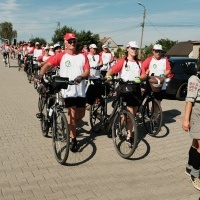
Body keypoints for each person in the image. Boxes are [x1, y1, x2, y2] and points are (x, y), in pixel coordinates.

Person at [35, 33, 90, 152]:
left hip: (80, 90)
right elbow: (48, 64)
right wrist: (40, 74)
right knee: (72, 114)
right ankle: (73, 139)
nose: (72, 43)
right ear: (65, 43)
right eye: (69, 41)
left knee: (81, 115)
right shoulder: (61, 56)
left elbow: (87, 71)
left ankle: (69, 126)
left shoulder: (82, 56)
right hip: (67, 90)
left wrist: (81, 77)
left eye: (74, 41)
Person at [105, 41, 144, 145]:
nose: (134, 50)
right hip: (125, 89)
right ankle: (129, 135)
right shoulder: (123, 61)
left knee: (133, 114)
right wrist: (108, 76)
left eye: (136, 48)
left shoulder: (139, 62)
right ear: (127, 49)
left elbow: (144, 75)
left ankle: (123, 125)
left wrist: (140, 78)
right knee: (130, 112)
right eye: (132, 48)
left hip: (136, 89)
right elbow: (111, 71)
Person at [182, 74, 200, 191]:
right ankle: (195, 174)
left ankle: (189, 167)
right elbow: (189, 100)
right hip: (197, 113)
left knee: (196, 143)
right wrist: (186, 119)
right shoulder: (195, 79)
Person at [85, 44, 102, 108]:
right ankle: (88, 102)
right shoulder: (87, 55)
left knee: (97, 90)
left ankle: (97, 102)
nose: (95, 50)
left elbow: (101, 62)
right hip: (89, 76)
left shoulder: (98, 56)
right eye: (93, 49)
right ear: (90, 48)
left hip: (97, 76)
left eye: (95, 49)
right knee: (88, 90)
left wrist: (99, 65)